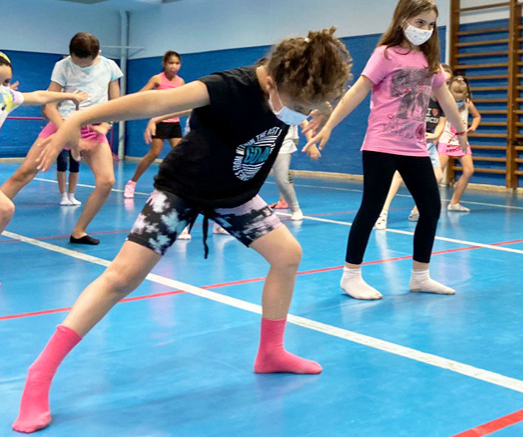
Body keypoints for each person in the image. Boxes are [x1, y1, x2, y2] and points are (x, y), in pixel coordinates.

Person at [11, 29, 352, 434]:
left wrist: (323, 115)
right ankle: (40, 373)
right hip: (182, 190)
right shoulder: (230, 86)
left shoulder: (302, 87)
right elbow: (154, 101)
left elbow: (321, 102)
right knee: (121, 278)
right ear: (275, 80)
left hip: (235, 194)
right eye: (298, 106)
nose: (300, 113)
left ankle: (271, 353)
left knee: (287, 255)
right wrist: (82, 116)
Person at [304, 0, 469, 300]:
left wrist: (460, 133)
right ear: (404, 19)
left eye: (432, 25)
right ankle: (350, 275)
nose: (426, 29)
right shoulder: (385, 54)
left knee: (431, 208)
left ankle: (420, 275)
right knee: (371, 207)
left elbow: (446, 98)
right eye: (421, 22)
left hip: (414, 147)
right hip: (381, 144)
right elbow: (357, 91)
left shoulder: (428, 60)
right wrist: (329, 125)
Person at [0, 32, 122, 245]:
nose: (82, 67)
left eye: (87, 64)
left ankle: (79, 231)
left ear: (98, 54)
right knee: (25, 172)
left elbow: (117, 103)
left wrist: (106, 125)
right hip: (62, 122)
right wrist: (68, 132)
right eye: (78, 63)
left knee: (107, 181)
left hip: (92, 126)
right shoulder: (62, 66)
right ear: (70, 54)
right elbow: (48, 106)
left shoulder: (109, 67)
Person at [0, 51, 88, 235]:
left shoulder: (8, 97)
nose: (3, 87)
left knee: (5, 209)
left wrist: (69, 96)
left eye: (6, 82)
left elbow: (39, 96)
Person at [374, 63, 450, 230]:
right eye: (445, 82)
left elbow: (441, 124)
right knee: (398, 177)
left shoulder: (443, 102)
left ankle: (417, 210)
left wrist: (436, 135)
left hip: (428, 145)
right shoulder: (420, 96)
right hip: (412, 142)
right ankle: (382, 212)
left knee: (437, 176)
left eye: (448, 83)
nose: (446, 87)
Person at [123, 51, 186, 199]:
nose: (174, 66)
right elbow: (141, 94)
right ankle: (132, 182)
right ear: (164, 64)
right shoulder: (157, 79)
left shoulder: (181, 82)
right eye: (171, 63)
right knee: (154, 153)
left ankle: (174, 186)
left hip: (174, 123)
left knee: (181, 155)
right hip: (159, 122)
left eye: (177, 63)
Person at [438, 75, 480, 212]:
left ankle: (454, 202)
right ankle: (419, 207)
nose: (458, 99)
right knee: (437, 173)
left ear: (466, 93)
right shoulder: (444, 102)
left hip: (462, 142)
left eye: (461, 96)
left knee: (469, 170)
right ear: (450, 91)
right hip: (445, 141)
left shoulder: (467, 103)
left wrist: (473, 126)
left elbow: (477, 116)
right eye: (456, 96)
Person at [270, 123, 320, 221]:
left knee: (281, 177)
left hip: (285, 141)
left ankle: (295, 209)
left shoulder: (291, 108)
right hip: (264, 141)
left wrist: (311, 144)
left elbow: (305, 123)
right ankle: (283, 200)